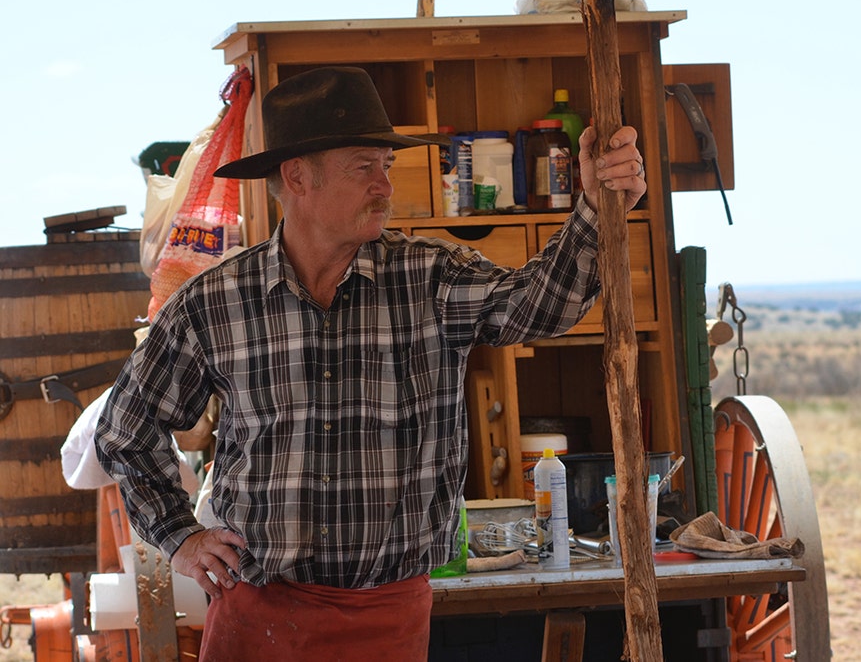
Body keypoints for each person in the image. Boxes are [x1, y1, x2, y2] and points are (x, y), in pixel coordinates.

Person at [96, 66, 648, 660]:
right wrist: (181, 537)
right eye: (365, 166)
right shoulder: (217, 300)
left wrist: (595, 206)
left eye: (386, 166)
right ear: (297, 175)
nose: (385, 186)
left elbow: (541, 307)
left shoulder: (430, 277)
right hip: (258, 616)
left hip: (389, 616)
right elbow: (125, 431)